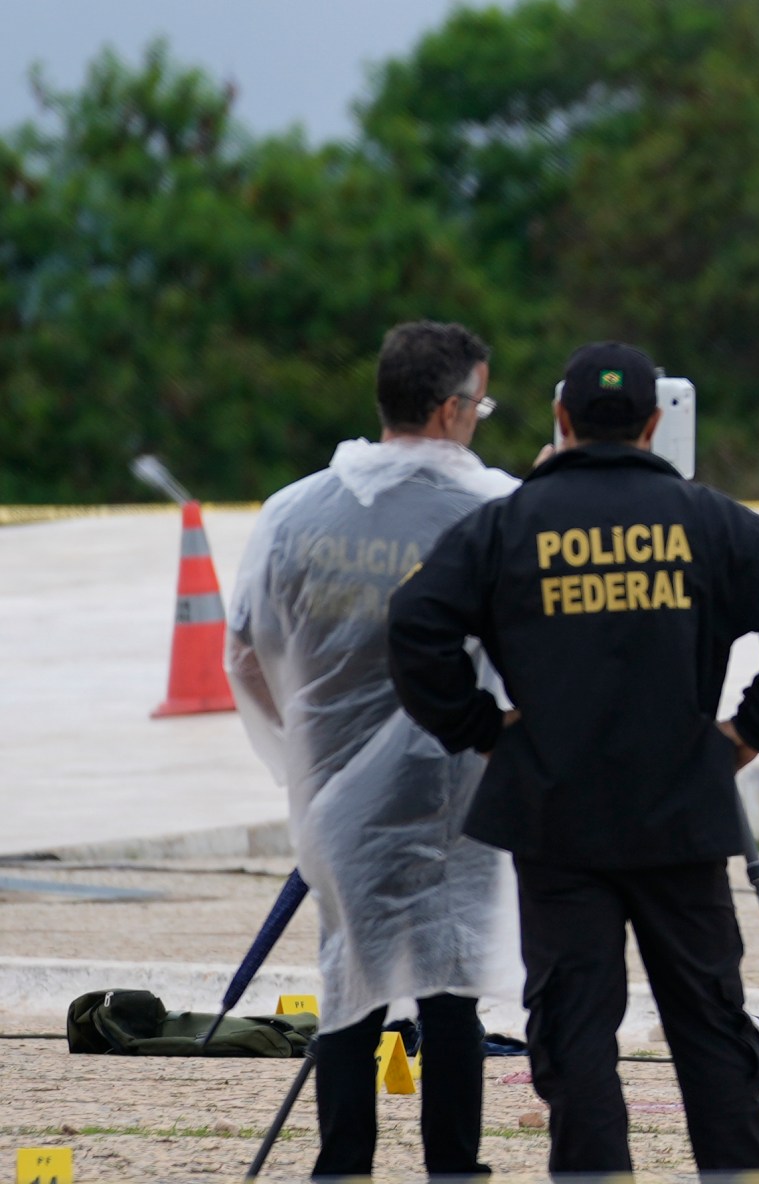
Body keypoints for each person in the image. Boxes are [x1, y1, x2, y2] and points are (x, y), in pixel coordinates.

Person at [389, 340, 759, 1178]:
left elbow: (414, 624)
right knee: (709, 1026)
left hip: (557, 821)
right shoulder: (712, 523)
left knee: (575, 1033)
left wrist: (485, 729)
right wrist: (745, 734)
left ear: (561, 421)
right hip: (683, 812)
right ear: (654, 423)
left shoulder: (506, 526)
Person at [226, 320, 519, 1179]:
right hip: (454, 782)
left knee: (346, 976)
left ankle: (343, 1162)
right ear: (449, 409)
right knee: (452, 981)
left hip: (331, 790)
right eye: (479, 401)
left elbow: (246, 650)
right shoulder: (493, 511)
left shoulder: (297, 510)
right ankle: (452, 1166)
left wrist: (303, 754)